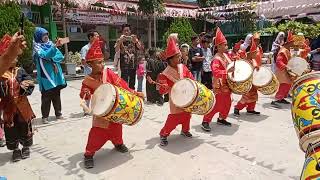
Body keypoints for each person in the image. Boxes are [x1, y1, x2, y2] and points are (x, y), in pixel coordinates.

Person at [80, 40, 143, 169]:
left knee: (117, 128)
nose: (102, 64)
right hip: (101, 110)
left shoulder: (108, 73)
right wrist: (85, 92)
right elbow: (83, 94)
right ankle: (89, 154)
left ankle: (118, 143)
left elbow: (122, 86)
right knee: (97, 133)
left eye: (103, 61)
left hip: (115, 108)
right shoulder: (88, 80)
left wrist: (134, 93)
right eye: (99, 62)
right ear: (90, 64)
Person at [157, 38, 194, 146]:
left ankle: (185, 130)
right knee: (175, 117)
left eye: (179, 56)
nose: (180, 58)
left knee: (187, 114)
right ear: (170, 59)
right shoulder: (165, 73)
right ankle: (164, 133)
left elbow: (190, 77)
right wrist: (164, 87)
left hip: (186, 96)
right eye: (177, 57)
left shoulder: (183, 67)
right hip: (175, 99)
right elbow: (162, 90)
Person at [0, 58, 35, 162]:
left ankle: (25, 147)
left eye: (15, 57)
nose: (13, 59)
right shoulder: (2, 72)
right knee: (10, 129)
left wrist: (25, 85)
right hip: (8, 106)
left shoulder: (20, 70)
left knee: (25, 125)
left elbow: (29, 81)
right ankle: (15, 149)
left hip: (22, 105)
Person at [32, 27, 67, 124]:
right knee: (46, 96)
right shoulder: (37, 47)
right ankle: (45, 117)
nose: (46, 37)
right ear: (38, 36)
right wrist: (53, 51)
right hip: (46, 75)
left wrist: (51, 58)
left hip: (55, 74)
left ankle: (58, 114)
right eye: (43, 35)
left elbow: (60, 56)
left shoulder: (51, 44)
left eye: (47, 34)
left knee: (56, 94)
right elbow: (45, 55)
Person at [201, 27, 233, 132]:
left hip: (227, 84)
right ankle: (205, 121)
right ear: (218, 46)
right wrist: (227, 73)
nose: (227, 46)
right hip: (219, 85)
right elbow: (216, 72)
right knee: (217, 104)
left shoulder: (225, 55)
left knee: (227, 103)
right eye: (225, 45)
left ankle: (222, 118)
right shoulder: (216, 59)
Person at [271, 31, 302, 108]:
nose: (294, 44)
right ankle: (277, 99)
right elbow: (278, 61)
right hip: (282, 71)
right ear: (289, 43)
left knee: (288, 84)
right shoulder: (283, 50)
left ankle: (281, 98)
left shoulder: (286, 50)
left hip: (285, 70)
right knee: (284, 85)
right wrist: (286, 67)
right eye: (293, 43)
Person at [234, 38, 261, 116]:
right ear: (250, 53)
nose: (256, 54)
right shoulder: (244, 61)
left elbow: (256, 67)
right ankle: (237, 107)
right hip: (247, 81)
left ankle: (250, 109)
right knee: (246, 96)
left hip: (253, 81)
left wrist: (257, 68)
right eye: (254, 53)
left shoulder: (253, 60)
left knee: (254, 95)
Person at [115, 24, 143, 90]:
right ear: (122, 32)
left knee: (132, 84)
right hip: (124, 66)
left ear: (130, 31)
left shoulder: (134, 39)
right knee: (123, 83)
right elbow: (116, 50)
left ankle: (132, 98)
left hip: (133, 65)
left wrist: (136, 41)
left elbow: (140, 47)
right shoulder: (119, 40)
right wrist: (120, 41)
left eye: (128, 30)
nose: (126, 32)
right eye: (124, 31)